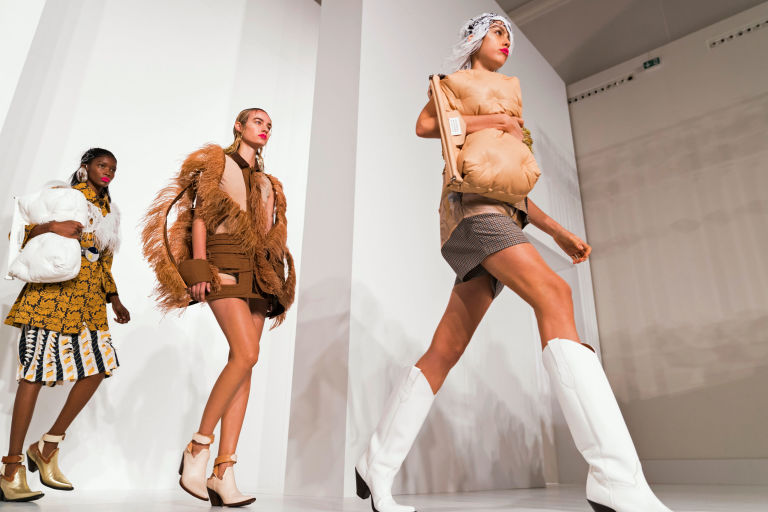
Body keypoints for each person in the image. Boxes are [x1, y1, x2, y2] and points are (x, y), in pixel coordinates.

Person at [354, 13, 673, 512]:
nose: (507, 42)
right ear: (475, 38)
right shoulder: (455, 84)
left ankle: (374, 464)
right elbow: (424, 126)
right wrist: (490, 122)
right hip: (472, 215)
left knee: (445, 349)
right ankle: (614, 476)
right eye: (497, 32)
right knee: (555, 294)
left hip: (499, 215)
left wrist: (557, 230)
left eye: (509, 35)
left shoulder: (510, 101)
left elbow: (509, 188)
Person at [141, 108, 295, 507]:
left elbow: (268, 231)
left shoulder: (268, 182)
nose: (265, 128)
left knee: (245, 365)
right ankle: (198, 446)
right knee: (246, 354)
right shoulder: (218, 162)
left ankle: (223, 472)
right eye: (258, 121)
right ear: (239, 127)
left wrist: (275, 276)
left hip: (259, 272)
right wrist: (199, 268)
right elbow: (199, 217)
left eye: (270, 125)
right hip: (224, 262)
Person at [1, 148, 129, 502]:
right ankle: (10, 470)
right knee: (34, 376)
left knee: (99, 367)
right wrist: (50, 227)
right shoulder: (64, 197)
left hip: (89, 305)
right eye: (102, 165)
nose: (108, 172)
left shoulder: (109, 212)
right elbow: (16, 235)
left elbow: (103, 264)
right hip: (51, 301)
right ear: (85, 168)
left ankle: (47, 446)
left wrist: (115, 298)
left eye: (113, 168)